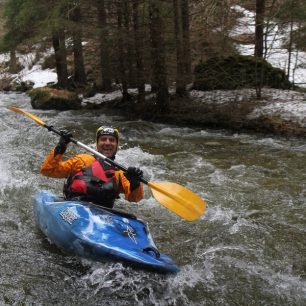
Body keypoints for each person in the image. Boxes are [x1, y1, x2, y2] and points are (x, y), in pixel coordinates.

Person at [40, 126, 144, 208]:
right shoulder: (82, 160)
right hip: (73, 207)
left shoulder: (121, 173)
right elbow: (48, 170)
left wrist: (135, 183)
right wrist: (61, 146)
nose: (107, 143)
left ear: (117, 145)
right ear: (97, 144)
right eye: (103, 139)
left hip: (103, 213)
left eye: (112, 140)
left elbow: (134, 199)